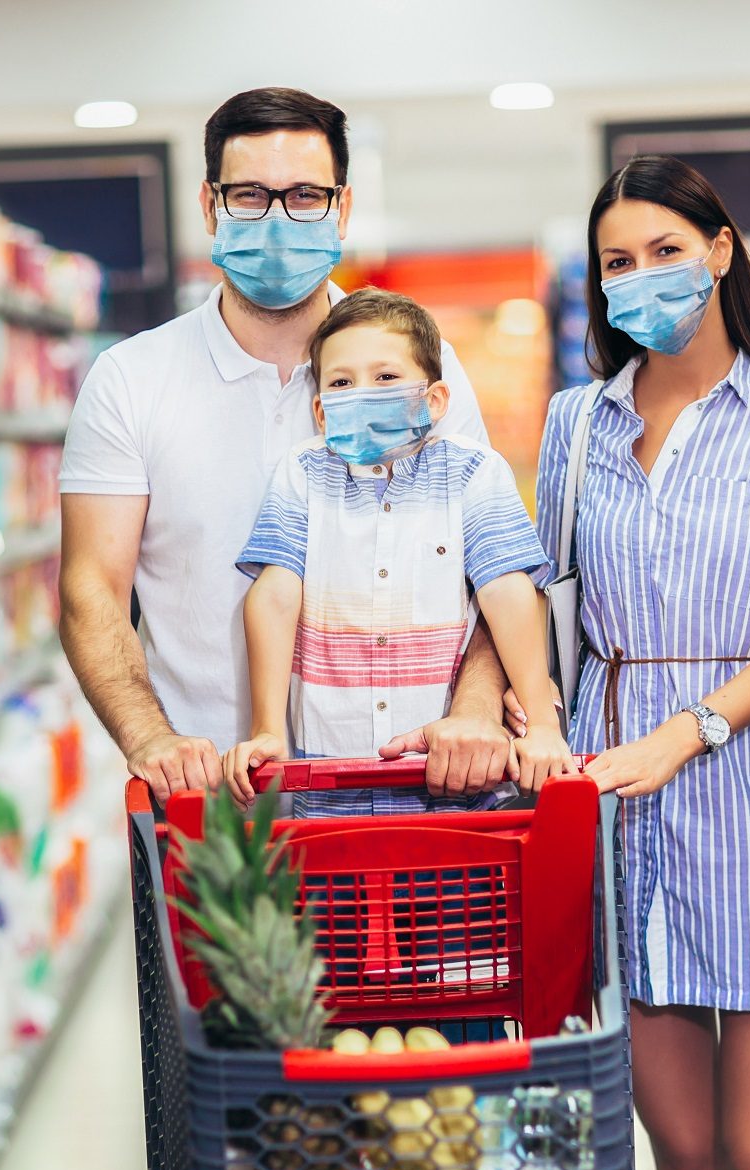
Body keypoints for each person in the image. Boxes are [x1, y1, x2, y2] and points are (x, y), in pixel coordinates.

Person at [522, 156, 750, 1170]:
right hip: (620, 802)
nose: (642, 276)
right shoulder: (576, 426)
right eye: (619, 261)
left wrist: (690, 731)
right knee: (681, 1152)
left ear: (720, 251)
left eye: (666, 250)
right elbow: (539, 606)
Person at [56, 87, 512, 804]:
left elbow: (493, 570)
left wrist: (477, 711)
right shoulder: (131, 380)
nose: (276, 221)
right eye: (249, 196)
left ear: (343, 208)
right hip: (212, 812)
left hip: (405, 790)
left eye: (304, 195)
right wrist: (151, 738)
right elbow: (92, 588)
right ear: (210, 207)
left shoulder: (422, 371)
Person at [224, 289, 574, 814]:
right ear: (321, 410)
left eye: (385, 377)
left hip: (455, 786)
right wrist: (267, 728)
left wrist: (542, 725)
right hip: (328, 783)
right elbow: (274, 593)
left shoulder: (473, 472)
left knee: (458, 898)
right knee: (332, 897)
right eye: (341, 382)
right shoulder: (303, 474)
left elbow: (509, 591)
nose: (362, 392)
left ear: (435, 400)